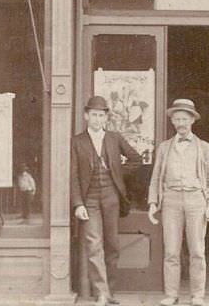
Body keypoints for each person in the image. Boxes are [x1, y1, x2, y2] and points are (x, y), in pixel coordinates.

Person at [71, 95, 142, 306]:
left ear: (106, 117)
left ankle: (109, 290)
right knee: (94, 244)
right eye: (93, 115)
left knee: (112, 245)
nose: (97, 119)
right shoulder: (77, 141)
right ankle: (101, 293)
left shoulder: (114, 138)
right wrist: (78, 204)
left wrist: (117, 173)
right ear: (86, 116)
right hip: (89, 198)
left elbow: (136, 159)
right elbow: (73, 175)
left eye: (101, 115)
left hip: (111, 196)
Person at [148, 98, 209, 306]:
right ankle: (172, 295)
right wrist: (153, 202)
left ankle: (197, 295)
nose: (181, 123)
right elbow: (155, 177)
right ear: (173, 122)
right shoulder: (164, 148)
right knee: (171, 251)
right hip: (171, 200)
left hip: (196, 200)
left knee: (197, 250)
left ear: (192, 121)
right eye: (177, 119)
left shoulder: (204, 147)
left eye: (185, 118)